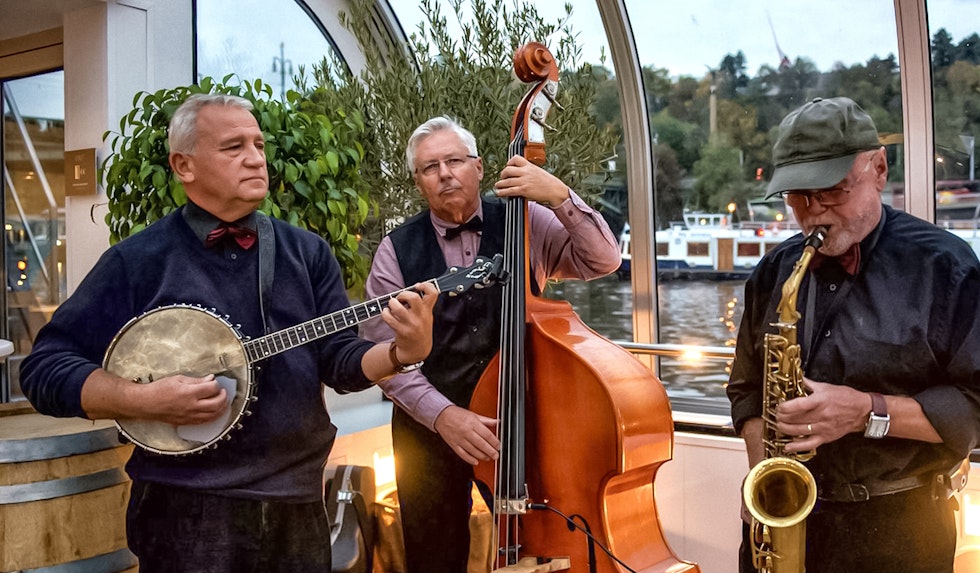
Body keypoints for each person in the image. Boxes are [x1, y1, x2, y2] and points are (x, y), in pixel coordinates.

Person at [20, 93, 439, 572]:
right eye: (233, 146)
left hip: (296, 505)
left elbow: (339, 361)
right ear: (184, 165)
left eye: (258, 144)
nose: (256, 157)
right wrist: (143, 401)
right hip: (185, 513)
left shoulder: (307, 252)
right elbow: (45, 368)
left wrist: (402, 351)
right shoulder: (137, 261)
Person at [727, 96, 980, 572]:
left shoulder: (943, 266)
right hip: (786, 524)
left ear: (879, 169)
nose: (814, 213)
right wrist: (768, 476)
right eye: (798, 196)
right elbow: (745, 389)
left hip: (899, 532)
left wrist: (866, 411)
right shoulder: (774, 271)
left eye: (833, 191)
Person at [362, 115, 621, 572]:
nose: (445, 173)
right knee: (432, 556)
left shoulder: (526, 220)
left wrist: (559, 196)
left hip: (522, 418)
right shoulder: (395, 250)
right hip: (428, 426)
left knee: (538, 546)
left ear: (479, 167)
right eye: (430, 167)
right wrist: (444, 416)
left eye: (455, 161)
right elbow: (385, 354)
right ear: (418, 181)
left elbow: (602, 260)